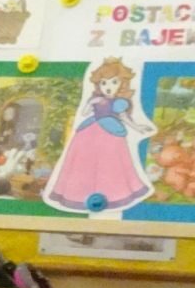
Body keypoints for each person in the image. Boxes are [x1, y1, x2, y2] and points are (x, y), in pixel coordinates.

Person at [43, 57, 153, 214]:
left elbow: (124, 117)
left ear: (122, 83)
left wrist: (138, 127)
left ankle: (115, 194)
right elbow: (84, 113)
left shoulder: (119, 102)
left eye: (114, 82)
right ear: (98, 84)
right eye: (104, 83)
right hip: (89, 131)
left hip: (111, 132)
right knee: (83, 162)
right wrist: (90, 103)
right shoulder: (95, 99)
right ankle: (77, 194)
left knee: (110, 164)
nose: (108, 87)